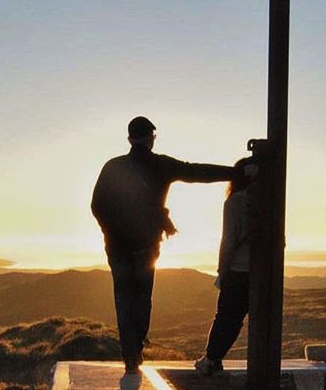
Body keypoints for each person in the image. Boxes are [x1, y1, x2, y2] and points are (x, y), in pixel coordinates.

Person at [92, 116, 237, 375]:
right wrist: (236, 173)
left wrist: (111, 232)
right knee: (143, 298)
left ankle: (130, 355)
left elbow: (97, 206)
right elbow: (197, 172)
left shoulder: (112, 167)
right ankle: (136, 348)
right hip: (147, 246)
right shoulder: (161, 165)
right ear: (152, 138)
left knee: (123, 298)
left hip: (117, 247)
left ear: (129, 139)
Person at [195, 157, 257, 375]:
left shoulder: (235, 202)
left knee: (226, 316)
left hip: (238, 269)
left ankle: (211, 359)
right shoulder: (269, 202)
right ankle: (214, 358)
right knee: (238, 318)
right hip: (262, 273)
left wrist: (222, 270)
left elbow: (229, 241)